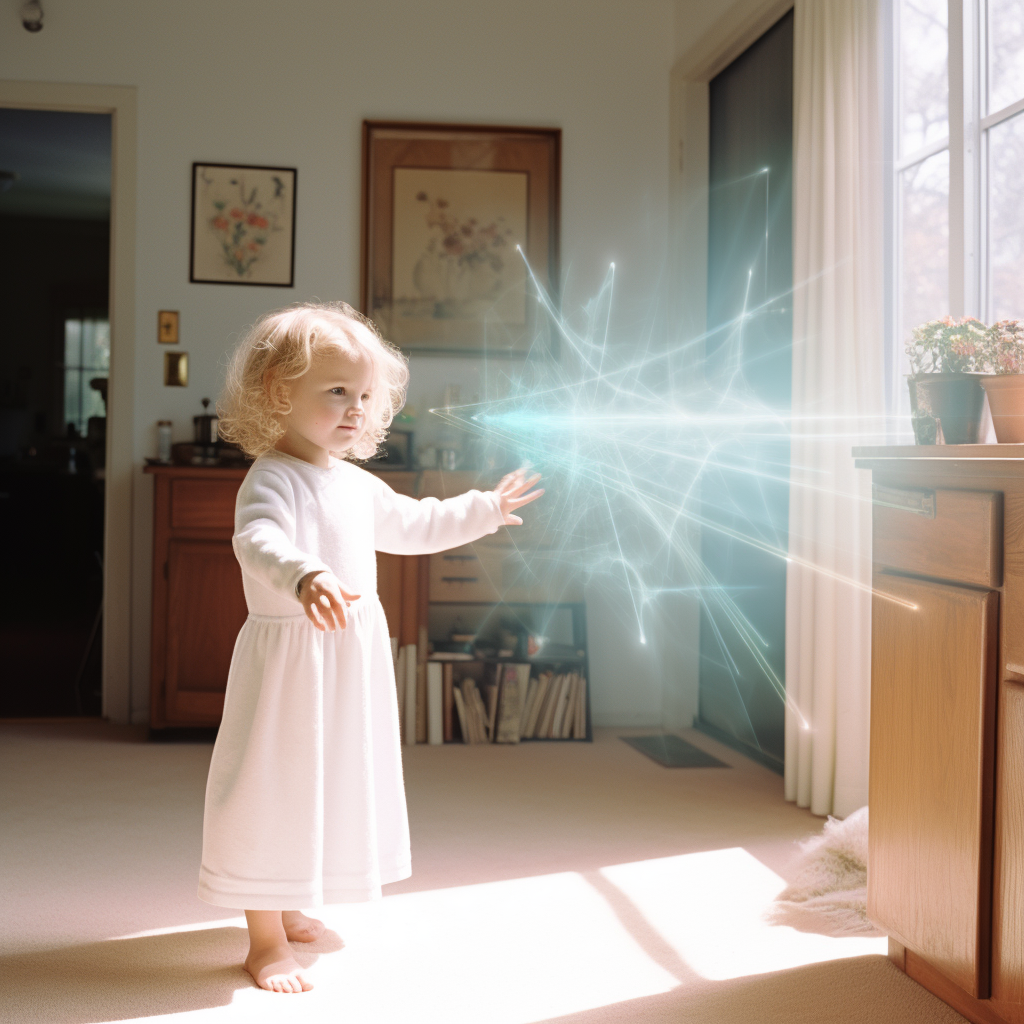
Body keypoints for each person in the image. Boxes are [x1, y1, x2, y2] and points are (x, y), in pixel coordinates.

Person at [199, 301, 543, 992]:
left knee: (323, 786)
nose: (355, 409)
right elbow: (257, 541)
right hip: (290, 667)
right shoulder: (273, 476)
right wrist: (306, 575)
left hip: (346, 669)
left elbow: (414, 524)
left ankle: (292, 900)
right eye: (336, 392)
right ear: (278, 392)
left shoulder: (352, 481)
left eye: (364, 396)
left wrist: (483, 508)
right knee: (272, 790)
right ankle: (263, 938)